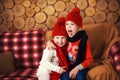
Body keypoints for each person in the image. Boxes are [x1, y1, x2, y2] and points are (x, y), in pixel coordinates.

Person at [46, 7, 94, 80]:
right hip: (67, 66)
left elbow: (89, 60)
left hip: (80, 66)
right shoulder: (65, 39)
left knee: (80, 77)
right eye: (67, 24)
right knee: (65, 77)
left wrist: (77, 68)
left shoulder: (84, 41)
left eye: (72, 24)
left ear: (79, 27)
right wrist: (48, 42)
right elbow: (57, 41)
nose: (69, 26)